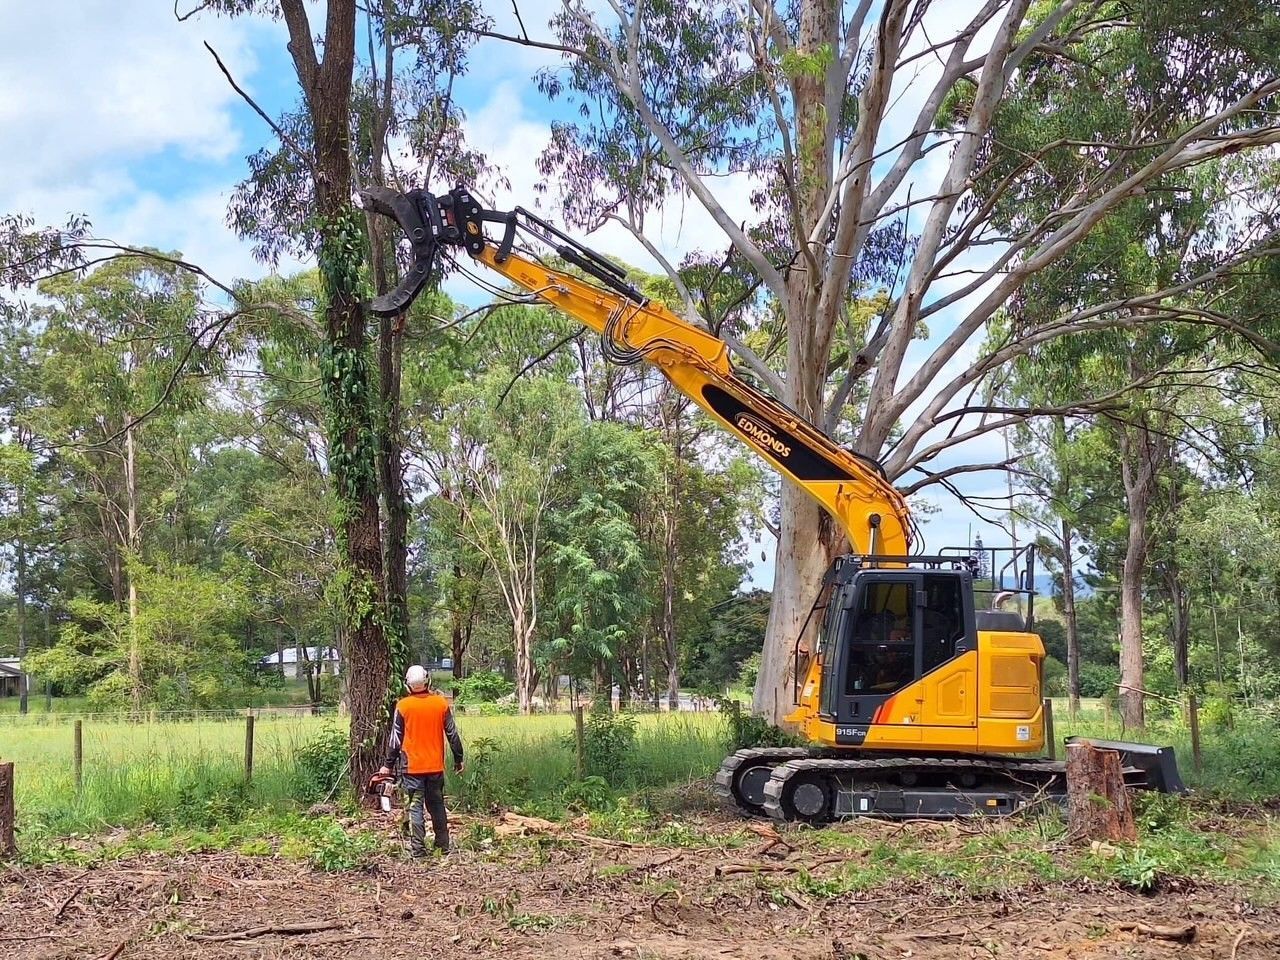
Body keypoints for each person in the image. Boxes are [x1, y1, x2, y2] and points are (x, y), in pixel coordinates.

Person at [379, 665, 464, 857]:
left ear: (408, 685)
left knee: (416, 807)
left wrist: (388, 765)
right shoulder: (440, 704)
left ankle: (418, 849)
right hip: (435, 767)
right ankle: (443, 846)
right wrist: (459, 759)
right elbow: (452, 734)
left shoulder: (403, 706)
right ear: (428, 681)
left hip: (412, 768)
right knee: (436, 805)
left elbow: (395, 739)